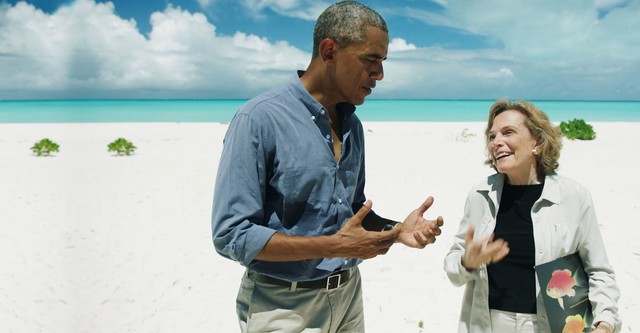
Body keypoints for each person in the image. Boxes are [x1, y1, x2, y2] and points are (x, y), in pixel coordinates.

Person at [211, 2, 444, 332]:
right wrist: (332, 246)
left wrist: (395, 230)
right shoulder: (259, 119)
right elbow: (232, 235)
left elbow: (349, 210)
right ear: (329, 51)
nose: (379, 74)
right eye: (371, 60)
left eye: (382, 62)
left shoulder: (353, 125)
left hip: (349, 294)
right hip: (284, 305)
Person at [443, 99, 621, 333]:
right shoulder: (480, 195)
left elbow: (598, 270)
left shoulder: (573, 197)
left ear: (537, 141)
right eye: (492, 136)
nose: (497, 142)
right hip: (488, 323)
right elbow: (453, 266)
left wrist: (605, 322)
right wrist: (468, 261)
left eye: (508, 132)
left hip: (554, 325)